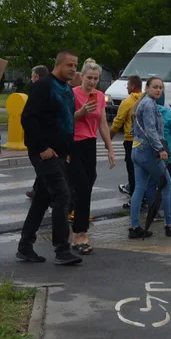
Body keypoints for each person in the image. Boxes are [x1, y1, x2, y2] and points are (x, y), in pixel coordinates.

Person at [17, 50, 82, 266]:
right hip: (44, 152)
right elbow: (28, 118)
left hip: (61, 153)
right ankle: (62, 250)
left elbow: (67, 121)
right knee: (62, 195)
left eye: (75, 65)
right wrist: (42, 147)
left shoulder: (67, 89)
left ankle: (25, 246)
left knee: (42, 199)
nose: (73, 69)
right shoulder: (44, 86)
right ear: (58, 64)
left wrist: (69, 150)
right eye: (69, 65)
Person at [128, 77, 171, 239]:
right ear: (147, 88)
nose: (158, 90)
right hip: (149, 152)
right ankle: (170, 224)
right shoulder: (148, 104)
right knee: (167, 186)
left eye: (161, 87)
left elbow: (135, 130)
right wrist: (160, 149)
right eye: (155, 87)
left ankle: (134, 227)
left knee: (139, 188)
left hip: (137, 151)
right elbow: (150, 130)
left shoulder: (143, 103)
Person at [68, 59, 116, 254]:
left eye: (96, 79)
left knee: (87, 188)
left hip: (90, 144)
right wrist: (80, 112)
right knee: (82, 188)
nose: (92, 82)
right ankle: (79, 232)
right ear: (81, 76)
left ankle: (78, 232)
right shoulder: (72, 94)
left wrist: (110, 148)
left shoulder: (99, 96)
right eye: (89, 78)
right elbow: (65, 120)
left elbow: (103, 123)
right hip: (74, 144)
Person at [110, 74, 143, 203]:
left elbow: (118, 121)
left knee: (132, 169)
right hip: (144, 140)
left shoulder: (128, 102)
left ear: (133, 86)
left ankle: (134, 197)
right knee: (142, 170)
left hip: (131, 139)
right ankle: (144, 196)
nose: (127, 88)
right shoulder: (147, 99)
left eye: (128, 85)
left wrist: (110, 137)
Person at [24, 65, 50, 199]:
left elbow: (28, 118)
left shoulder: (38, 91)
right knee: (43, 169)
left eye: (32, 76)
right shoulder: (47, 89)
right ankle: (38, 191)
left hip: (38, 142)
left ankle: (41, 193)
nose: (31, 79)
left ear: (37, 77)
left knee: (43, 170)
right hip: (42, 141)